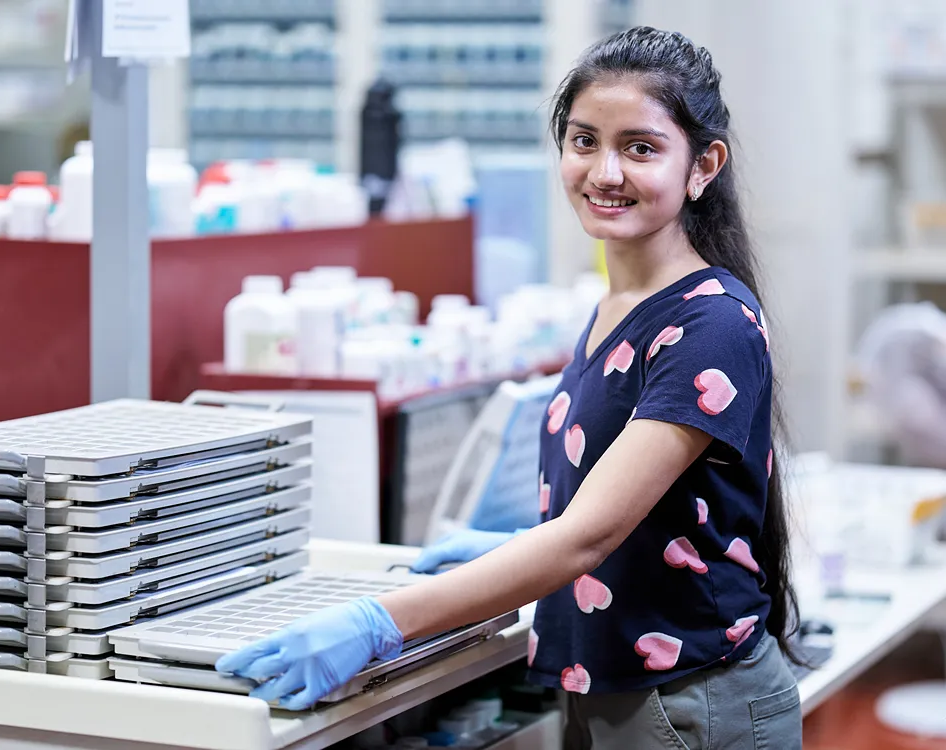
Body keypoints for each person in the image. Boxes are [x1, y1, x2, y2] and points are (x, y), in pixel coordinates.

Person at [216, 26, 803, 749]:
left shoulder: (711, 323)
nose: (604, 171)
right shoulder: (617, 305)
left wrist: (381, 621)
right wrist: (516, 547)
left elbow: (589, 537)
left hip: (690, 700)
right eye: (584, 140)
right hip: (614, 688)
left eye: (640, 148)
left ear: (703, 166)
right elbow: (627, 507)